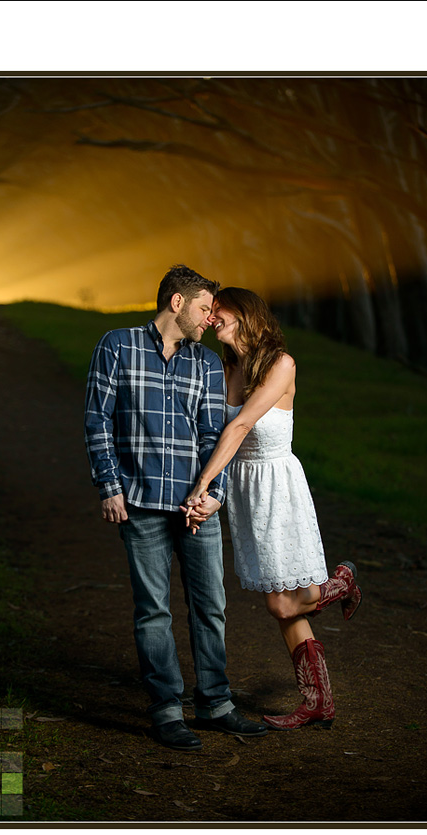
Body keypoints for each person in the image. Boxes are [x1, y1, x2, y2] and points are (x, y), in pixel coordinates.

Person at [84, 265, 267, 751]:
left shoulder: (207, 364)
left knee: (211, 607)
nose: (211, 318)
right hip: (139, 504)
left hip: (195, 508)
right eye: (206, 308)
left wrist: (214, 494)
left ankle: (216, 703)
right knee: (153, 612)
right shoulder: (117, 345)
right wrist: (109, 486)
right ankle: (167, 709)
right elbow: (97, 419)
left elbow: (215, 436)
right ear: (178, 303)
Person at [182, 287, 362, 730]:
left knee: (283, 605)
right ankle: (318, 702)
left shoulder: (281, 364)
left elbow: (242, 425)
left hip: (278, 489)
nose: (210, 318)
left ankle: (339, 582)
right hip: (245, 491)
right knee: (281, 603)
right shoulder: (224, 368)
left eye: (217, 309)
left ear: (242, 312)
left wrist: (203, 483)